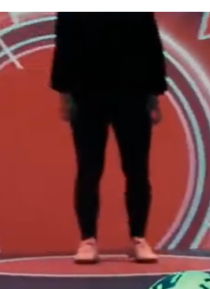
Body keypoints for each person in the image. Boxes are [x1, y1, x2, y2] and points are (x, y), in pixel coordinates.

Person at [50, 12, 167, 264]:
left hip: (133, 93)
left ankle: (139, 238)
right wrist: (64, 95)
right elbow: (64, 46)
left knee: (137, 169)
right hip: (87, 94)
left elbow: (151, 45)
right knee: (88, 169)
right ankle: (88, 240)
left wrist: (154, 95)